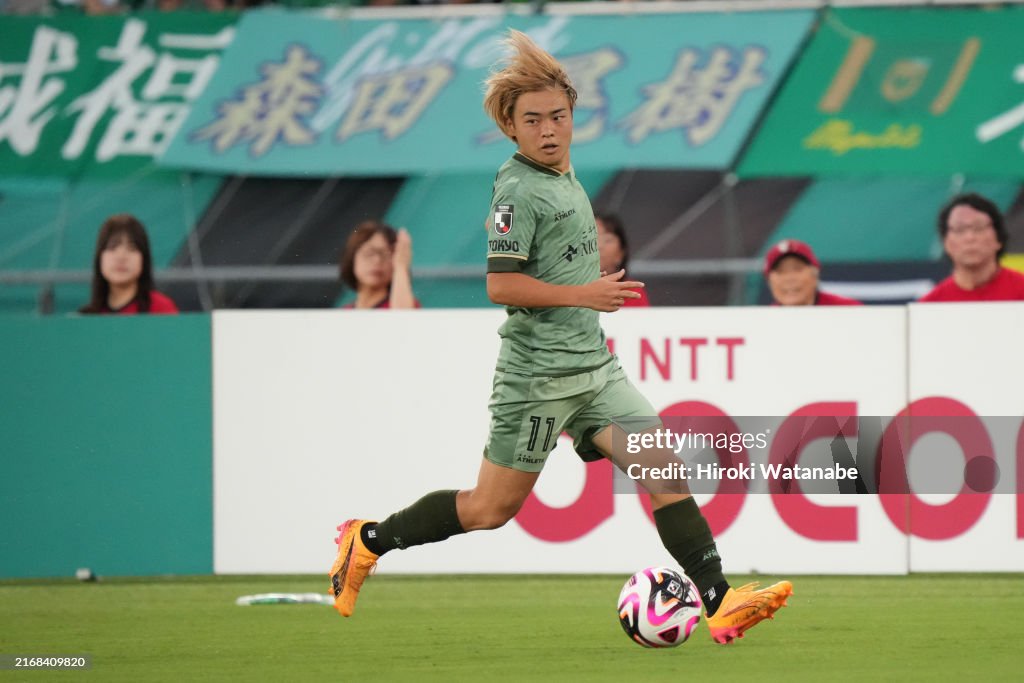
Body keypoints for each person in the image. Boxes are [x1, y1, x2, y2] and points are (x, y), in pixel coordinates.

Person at [329, 30, 791, 644]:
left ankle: (719, 600)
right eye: (533, 120)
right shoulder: (516, 191)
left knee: (663, 467)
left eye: (559, 116)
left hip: (593, 370)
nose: (549, 129)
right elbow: (500, 285)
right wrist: (585, 294)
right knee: (489, 511)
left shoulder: (563, 172)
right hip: (537, 379)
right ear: (512, 129)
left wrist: (584, 295)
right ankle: (368, 540)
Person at [919, 193, 1024, 302]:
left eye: (978, 228)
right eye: (960, 229)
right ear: (946, 243)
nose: (970, 237)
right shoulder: (930, 306)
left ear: (998, 238)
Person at [79, 214, 178, 315]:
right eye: (112, 248)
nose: (121, 257)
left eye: (132, 248)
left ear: (144, 258)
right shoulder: (85, 318)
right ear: (99, 257)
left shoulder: (161, 309)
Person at [338, 220, 419, 309]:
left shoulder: (405, 304)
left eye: (386, 255)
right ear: (352, 258)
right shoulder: (344, 313)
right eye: (369, 253)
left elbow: (404, 319)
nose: (377, 260)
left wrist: (401, 267)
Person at [764, 239, 861, 306]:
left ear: (815, 275)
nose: (789, 279)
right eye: (781, 272)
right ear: (769, 281)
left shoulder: (848, 312)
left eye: (797, 269)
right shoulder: (761, 322)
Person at [595, 211, 650, 307]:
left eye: (607, 240)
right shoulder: (567, 289)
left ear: (621, 253)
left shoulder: (632, 292)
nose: (599, 246)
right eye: (591, 240)